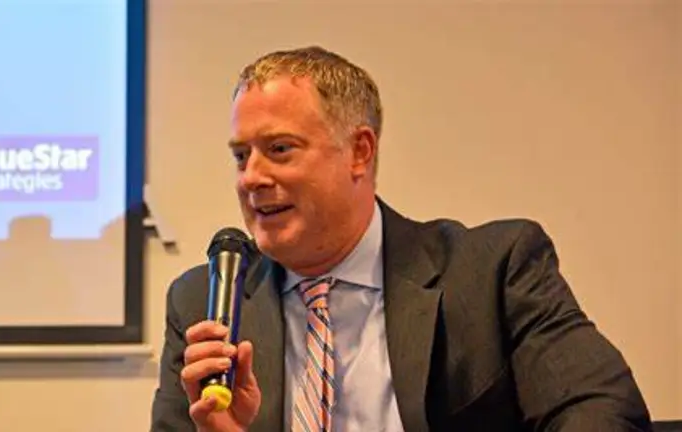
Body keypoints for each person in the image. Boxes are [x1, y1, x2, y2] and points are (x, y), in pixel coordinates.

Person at [150, 46, 652, 432]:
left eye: (280, 149)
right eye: (241, 156)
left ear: (359, 152)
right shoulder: (203, 305)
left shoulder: (492, 272)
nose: (251, 178)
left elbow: (603, 411)